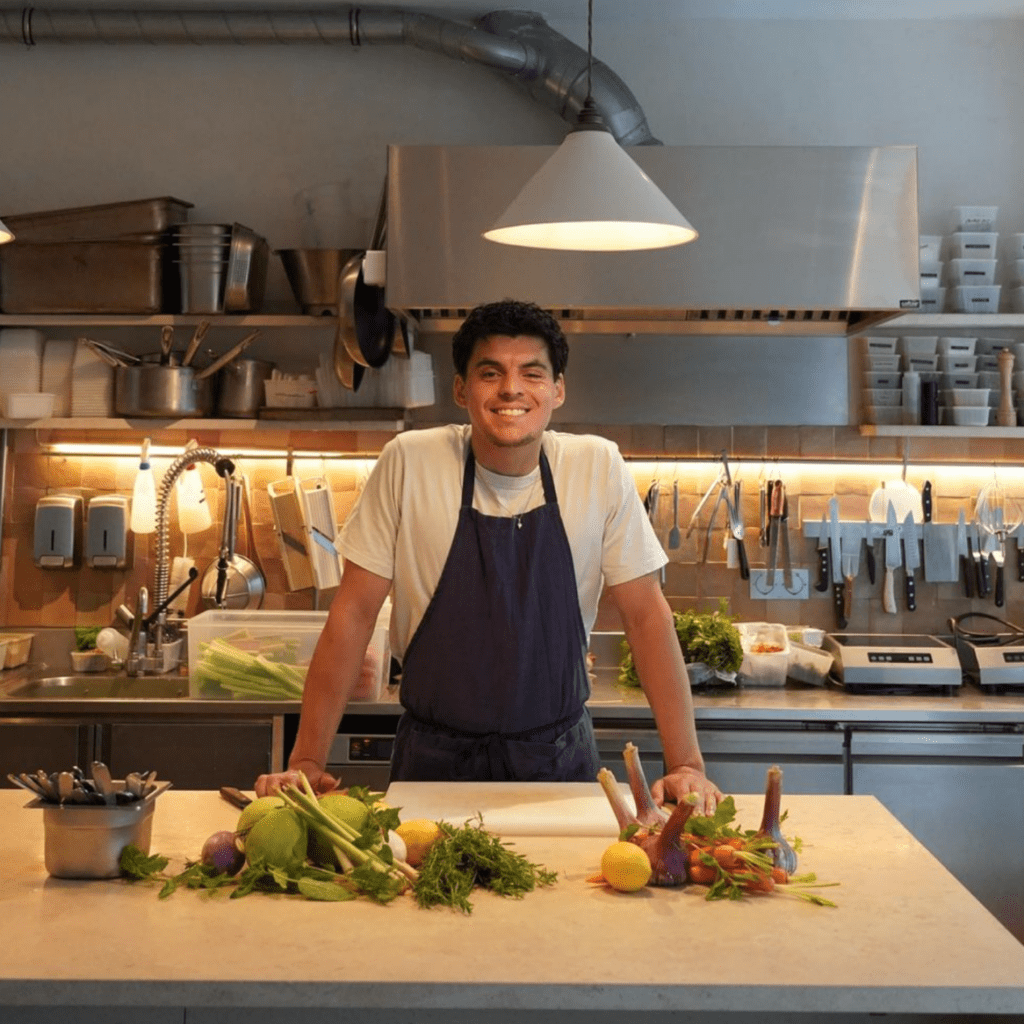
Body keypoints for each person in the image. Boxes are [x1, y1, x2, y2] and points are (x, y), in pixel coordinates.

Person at [255, 299, 721, 812]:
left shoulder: (596, 466)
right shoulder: (410, 461)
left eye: (532, 373)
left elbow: (646, 615)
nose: (511, 389)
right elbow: (353, 613)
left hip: (559, 765)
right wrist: (305, 761)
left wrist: (686, 765)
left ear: (558, 389)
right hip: (432, 767)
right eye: (490, 372)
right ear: (461, 389)